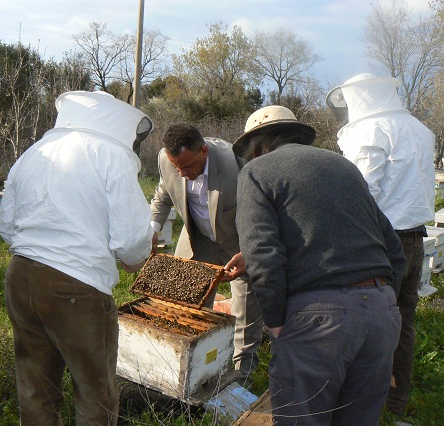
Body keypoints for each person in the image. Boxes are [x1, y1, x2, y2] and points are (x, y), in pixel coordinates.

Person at [233, 105, 404, 425]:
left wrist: (276, 322)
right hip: (381, 313)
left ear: (255, 146)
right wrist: (382, 302)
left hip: (317, 320)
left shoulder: (256, 172)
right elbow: (393, 248)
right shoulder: (345, 167)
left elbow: (262, 253)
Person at [0, 90, 154, 426]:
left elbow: (6, 226)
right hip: (77, 289)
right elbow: (132, 241)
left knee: (36, 388)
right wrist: (133, 257)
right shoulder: (111, 155)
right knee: (95, 393)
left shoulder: (33, 152)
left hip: (21, 277)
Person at [326, 73, 435, 419]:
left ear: (359, 98)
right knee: (403, 320)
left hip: (379, 242)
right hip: (416, 238)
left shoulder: (373, 131)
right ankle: (396, 405)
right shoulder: (420, 129)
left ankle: (361, 405)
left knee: (365, 320)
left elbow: (358, 191)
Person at [150, 123, 262, 386]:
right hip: (198, 240)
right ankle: (191, 367)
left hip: (238, 244)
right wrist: (152, 229)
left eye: (187, 166)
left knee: (245, 311)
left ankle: (241, 376)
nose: (182, 172)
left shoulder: (235, 163)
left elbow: (261, 211)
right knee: (187, 306)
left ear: (204, 151)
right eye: (176, 167)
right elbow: (162, 196)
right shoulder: (168, 162)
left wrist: (249, 252)